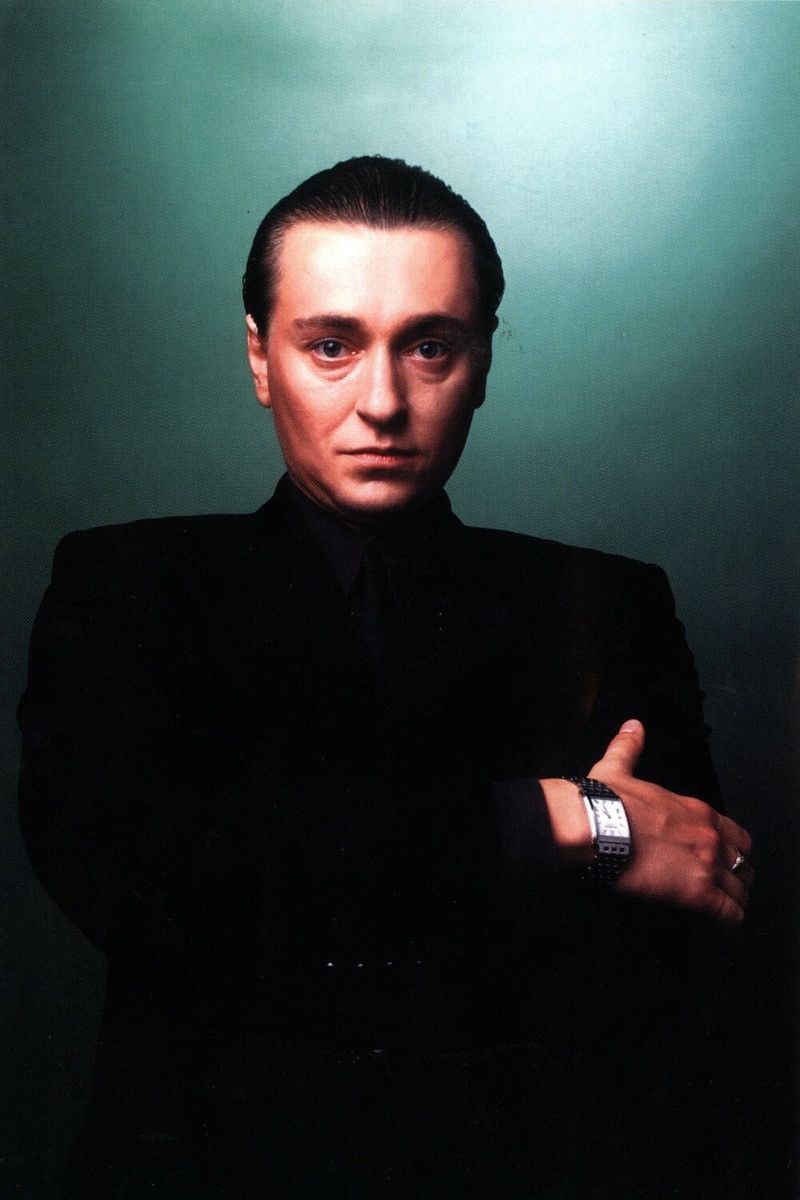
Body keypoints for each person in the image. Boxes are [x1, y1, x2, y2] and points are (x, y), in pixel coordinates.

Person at [18, 156, 753, 1199]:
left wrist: (310, 866)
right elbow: (148, 877)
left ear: (482, 362)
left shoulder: (607, 601)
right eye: (331, 346)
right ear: (260, 358)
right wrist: (555, 821)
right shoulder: (130, 583)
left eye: (429, 347)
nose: (382, 402)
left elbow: (680, 906)